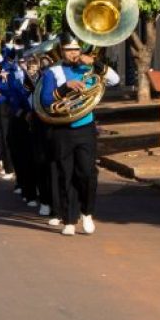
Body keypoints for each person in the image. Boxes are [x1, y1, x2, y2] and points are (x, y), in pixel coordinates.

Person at [38, 35, 120, 236]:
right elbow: (47, 100)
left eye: (76, 50)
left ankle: (87, 212)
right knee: (65, 174)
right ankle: (69, 219)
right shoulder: (53, 72)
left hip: (85, 127)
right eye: (68, 50)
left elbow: (115, 80)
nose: (73, 54)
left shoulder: (88, 68)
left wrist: (96, 63)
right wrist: (67, 86)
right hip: (62, 129)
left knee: (86, 172)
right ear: (62, 51)